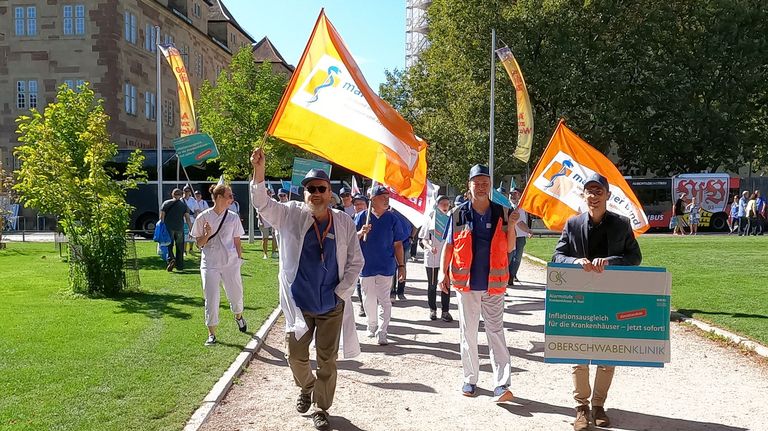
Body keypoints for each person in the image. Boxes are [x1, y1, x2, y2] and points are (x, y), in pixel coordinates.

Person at [250, 148, 363, 431]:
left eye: (321, 188)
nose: (316, 193)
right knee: (297, 357)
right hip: (299, 303)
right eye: (310, 188)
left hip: (330, 305)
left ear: (330, 193)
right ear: (304, 193)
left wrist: (341, 292)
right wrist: (259, 171)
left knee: (327, 360)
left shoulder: (344, 221)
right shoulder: (290, 214)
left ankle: (321, 408)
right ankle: (307, 387)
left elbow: (355, 261)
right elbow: (262, 204)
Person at [552, 173, 642, 431]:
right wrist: (575, 262)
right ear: (584, 195)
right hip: (579, 297)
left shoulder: (621, 224)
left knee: (607, 356)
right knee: (578, 355)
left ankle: (599, 405)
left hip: (610, 297)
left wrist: (611, 261)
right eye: (589, 191)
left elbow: (635, 258)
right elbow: (558, 256)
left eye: (598, 191)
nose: (593, 196)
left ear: (607, 195)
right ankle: (581, 407)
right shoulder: (572, 224)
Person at [438, 164, 517, 402]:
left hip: (494, 284)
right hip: (467, 285)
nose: (481, 187)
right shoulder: (458, 214)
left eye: (485, 183)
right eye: (477, 183)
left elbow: (511, 247)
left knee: (496, 333)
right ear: (469, 185)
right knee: (468, 333)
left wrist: (512, 225)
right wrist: (443, 273)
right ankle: (470, 379)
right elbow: (449, 246)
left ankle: (502, 384)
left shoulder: (503, 213)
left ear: (490, 186)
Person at [191, 184, 247, 346]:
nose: (232, 198)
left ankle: (238, 316)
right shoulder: (203, 217)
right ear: (219, 197)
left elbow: (237, 240)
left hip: (230, 263)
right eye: (229, 196)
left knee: (236, 295)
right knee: (211, 297)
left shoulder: (233, 217)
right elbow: (198, 244)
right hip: (210, 263)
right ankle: (212, 334)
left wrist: (239, 258)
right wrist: (207, 234)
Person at [355, 185, 408, 346]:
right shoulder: (361, 217)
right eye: (382, 196)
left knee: (385, 300)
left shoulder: (392, 219)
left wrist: (401, 266)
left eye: (387, 196)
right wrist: (360, 233)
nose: (386, 199)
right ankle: (372, 325)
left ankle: (382, 331)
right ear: (373, 199)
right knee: (368, 299)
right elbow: (350, 240)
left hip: (386, 266)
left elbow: (398, 244)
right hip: (366, 266)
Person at [419, 195, 452, 322]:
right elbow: (423, 239)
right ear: (437, 205)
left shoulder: (450, 220)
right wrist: (429, 246)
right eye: (442, 203)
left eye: (447, 203)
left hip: (446, 258)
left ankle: (445, 311)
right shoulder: (430, 220)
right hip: (432, 258)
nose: (445, 205)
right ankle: (432, 309)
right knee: (432, 285)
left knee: (446, 285)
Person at [159, 188, 192, 271]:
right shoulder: (184, 205)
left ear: (172, 194)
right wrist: (191, 229)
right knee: (180, 246)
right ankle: (180, 265)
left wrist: (161, 226)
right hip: (179, 228)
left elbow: (161, 216)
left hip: (168, 227)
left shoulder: (166, 203)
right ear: (181, 195)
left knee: (169, 244)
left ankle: (171, 259)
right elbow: (187, 218)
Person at [507, 187, 533, 286]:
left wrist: (527, 231)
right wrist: (529, 230)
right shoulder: (510, 206)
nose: (512, 195)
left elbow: (522, 221)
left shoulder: (522, 207)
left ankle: (512, 276)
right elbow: (519, 222)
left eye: (515, 193)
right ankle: (509, 276)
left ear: (519, 195)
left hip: (521, 236)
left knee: (517, 258)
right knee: (510, 257)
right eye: (511, 194)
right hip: (511, 235)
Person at [390, 208, 413, 300]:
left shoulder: (408, 211)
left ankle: (400, 291)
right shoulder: (390, 213)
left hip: (405, 242)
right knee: (392, 267)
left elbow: (415, 224)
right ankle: (392, 291)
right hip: (392, 242)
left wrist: (412, 236)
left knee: (402, 266)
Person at [351, 194, 368, 317]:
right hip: (357, 254)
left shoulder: (370, 218)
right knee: (359, 281)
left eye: (361, 203)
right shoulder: (350, 220)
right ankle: (362, 305)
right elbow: (349, 238)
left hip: (370, 254)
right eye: (356, 204)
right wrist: (361, 233)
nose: (359, 206)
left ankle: (370, 304)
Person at [258, 188, 278, 259]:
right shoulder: (261, 201)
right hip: (263, 222)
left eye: (269, 192)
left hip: (272, 222)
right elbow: (259, 213)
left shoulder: (274, 201)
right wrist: (261, 222)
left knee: (274, 237)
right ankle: (265, 254)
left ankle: (273, 252)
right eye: (267, 192)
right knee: (265, 238)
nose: (268, 194)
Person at [183, 186, 198, 254]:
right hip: (184, 220)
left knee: (192, 234)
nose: (187, 192)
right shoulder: (181, 200)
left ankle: (191, 249)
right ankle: (184, 250)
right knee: (185, 235)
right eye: (185, 191)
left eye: (188, 191)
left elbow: (197, 209)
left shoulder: (192, 200)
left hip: (192, 220)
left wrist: (195, 213)